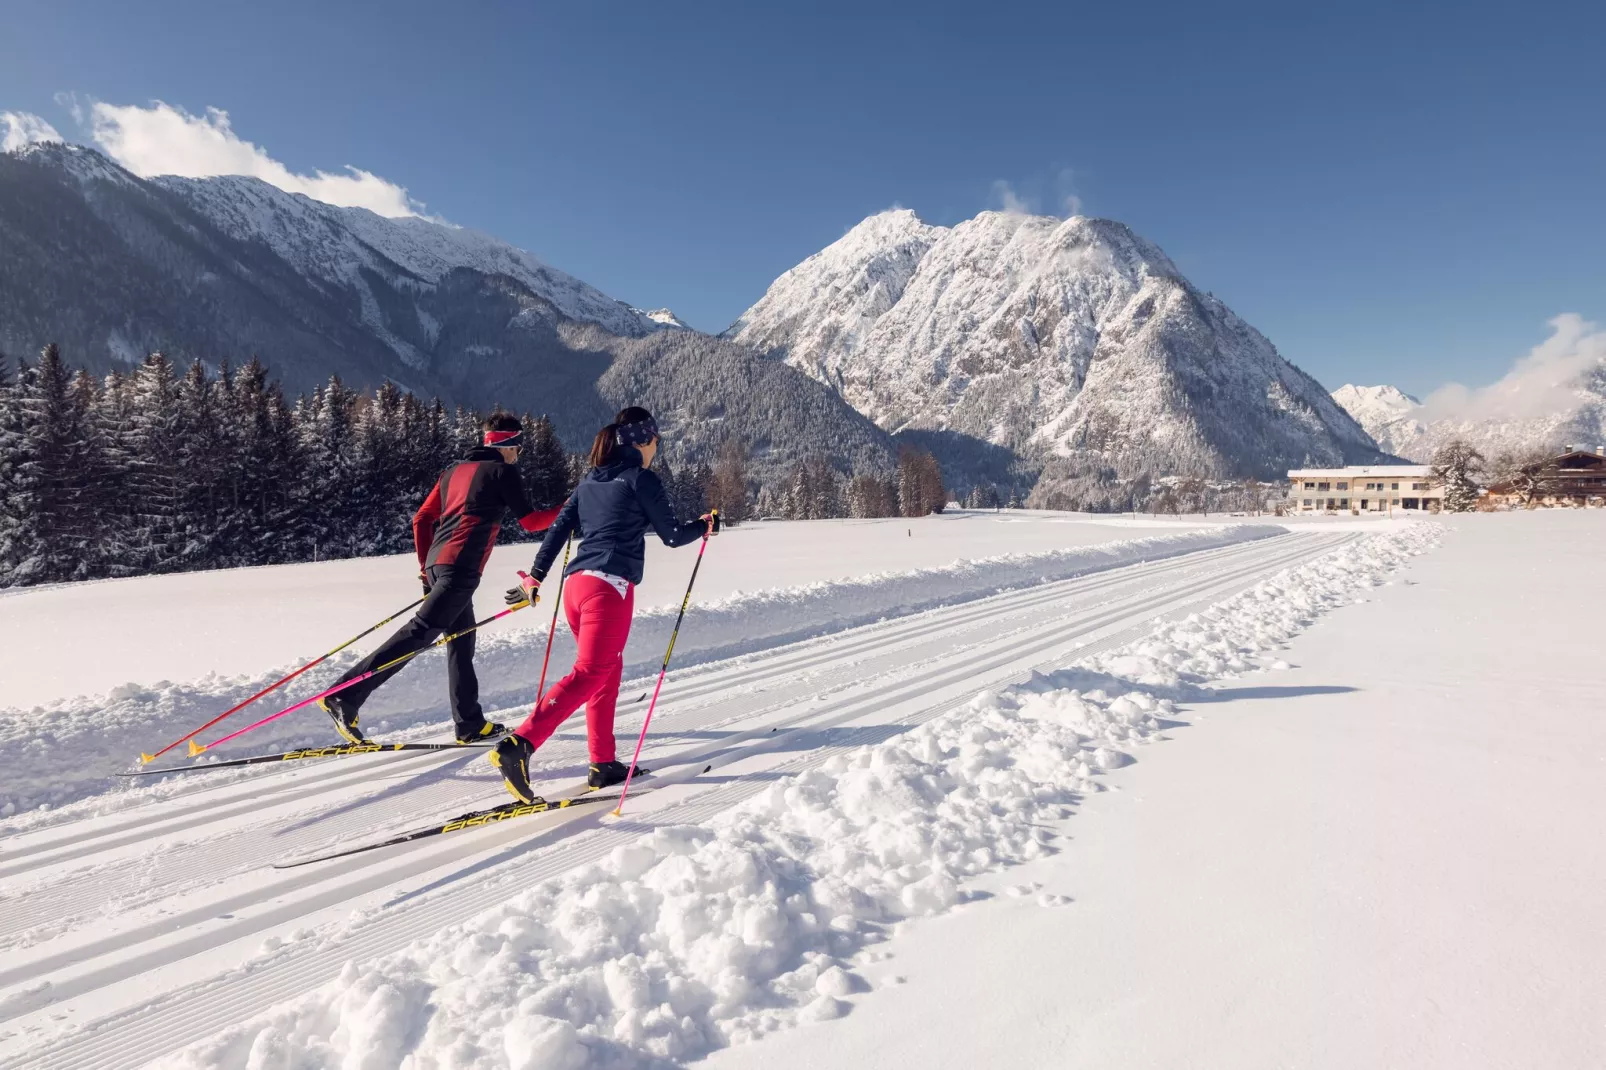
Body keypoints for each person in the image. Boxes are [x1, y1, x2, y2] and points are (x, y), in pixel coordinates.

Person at [489, 406, 717, 800]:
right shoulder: (640, 480)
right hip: (608, 589)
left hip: (577, 587)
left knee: (606, 670)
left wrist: (535, 578)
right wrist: (706, 524)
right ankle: (519, 744)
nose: (656, 448)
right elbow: (674, 536)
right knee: (593, 671)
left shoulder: (590, 481)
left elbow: (559, 529)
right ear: (644, 441)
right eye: (655, 441)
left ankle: (604, 763)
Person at [320, 413, 562, 745]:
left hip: (438, 563)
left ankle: (469, 724)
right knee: (419, 633)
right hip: (460, 568)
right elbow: (532, 522)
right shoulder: (502, 472)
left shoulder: (452, 472)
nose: (518, 455)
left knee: (462, 640)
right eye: (518, 448)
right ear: (508, 445)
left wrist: (425, 569)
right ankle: (344, 695)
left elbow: (422, 519)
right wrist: (569, 507)